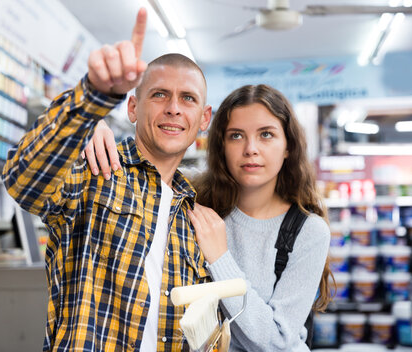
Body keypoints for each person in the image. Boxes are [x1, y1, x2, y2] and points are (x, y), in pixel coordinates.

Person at [2, 8, 213, 352]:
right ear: (132, 108)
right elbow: (22, 180)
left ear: (203, 118)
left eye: (187, 98)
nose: (174, 108)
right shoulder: (96, 168)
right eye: (159, 94)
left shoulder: (195, 216)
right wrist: (93, 100)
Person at [85, 84, 333, 351]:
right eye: (236, 136)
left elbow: (276, 341)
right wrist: (90, 130)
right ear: (221, 146)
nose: (251, 149)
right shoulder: (193, 203)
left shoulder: (308, 231)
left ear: (288, 146)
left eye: (266, 135)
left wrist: (220, 258)